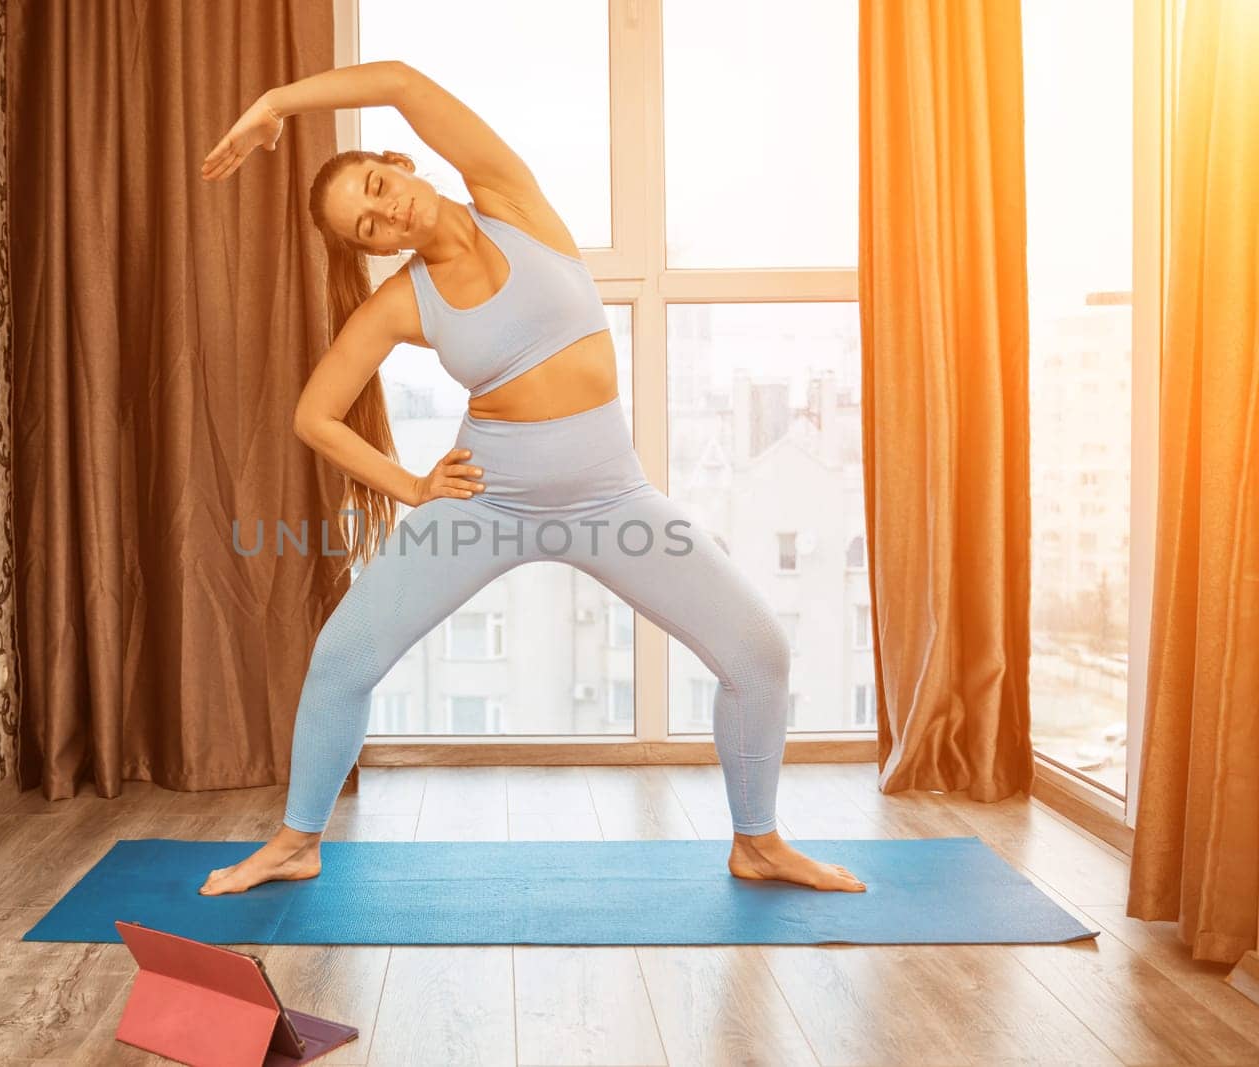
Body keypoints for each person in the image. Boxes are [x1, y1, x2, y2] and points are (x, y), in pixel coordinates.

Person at [196, 60, 865, 896]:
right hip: (492, 501)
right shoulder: (404, 302)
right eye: (368, 227)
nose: (384, 211)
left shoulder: (511, 201)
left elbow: (403, 82)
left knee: (759, 651)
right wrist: (411, 487)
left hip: (611, 498)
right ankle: (296, 842)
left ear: (400, 165)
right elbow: (314, 415)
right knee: (342, 657)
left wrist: (273, 103)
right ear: (377, 248)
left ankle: (758, 842)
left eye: (376, 185)